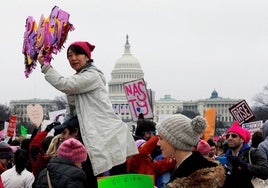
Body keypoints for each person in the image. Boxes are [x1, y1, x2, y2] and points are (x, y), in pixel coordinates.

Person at [37, 41, 138, 179]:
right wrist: (64, 128)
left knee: (113, 177)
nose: (73, 58)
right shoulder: (79, 79)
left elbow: (64, 84)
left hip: (106, 134)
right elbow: (72, 110)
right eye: (69, 55)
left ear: (87, 57)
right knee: (90, 175)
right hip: (93, 134)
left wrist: (45, 66)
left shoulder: (92, 76)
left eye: (77, 54)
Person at [156, 114, 225, 187]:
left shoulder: (192, 177)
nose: (158, 143)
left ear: (174, 141)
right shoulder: (194, 169)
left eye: (161, 138)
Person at [223, 121, 268, 188]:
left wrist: (241, 165)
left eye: (234, 136)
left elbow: (265, 171)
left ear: (242, 139)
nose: (229, 138)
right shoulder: (224, 156)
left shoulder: (253, 152)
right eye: (228, 136)